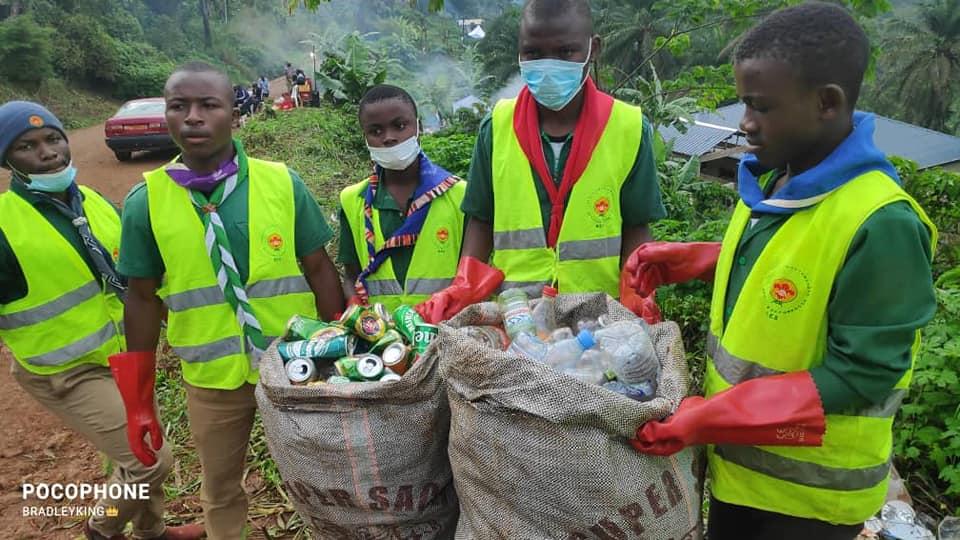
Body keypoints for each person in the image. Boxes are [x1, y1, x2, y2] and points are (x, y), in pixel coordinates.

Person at [625, 4, 937, 539]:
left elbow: (861, 373)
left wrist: (708, 418)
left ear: (826, 102)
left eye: (760, 106)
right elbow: (786, 270)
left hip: (807, 502)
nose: (745, 123)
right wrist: (697, 258)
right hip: (742, 474)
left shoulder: (881, 223)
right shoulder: (780, 178)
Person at [114, 61, 344, 540]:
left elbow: (320, 269)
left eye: (208, 105)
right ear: (167, 116)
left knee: (326, 479)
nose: (192, 117)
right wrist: (138, 401)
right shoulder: (146, 201)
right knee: (219, 489)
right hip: (213, 381)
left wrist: (345, 350)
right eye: (179, 106)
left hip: (295, 368)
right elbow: (139, 299)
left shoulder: (282, 183)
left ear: (234, 113)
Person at [0, 101, 203, 540]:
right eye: (26, 146)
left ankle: (152, 531)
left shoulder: (93, 202)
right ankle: (102, 527)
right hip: (63, 370)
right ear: (7, 160)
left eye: (53, 139)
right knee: (150, 460)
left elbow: (132, 280)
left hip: (117, 358)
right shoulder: (3, 226)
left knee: (137, 447)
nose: (47, 152)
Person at [416, 0, 665, 323]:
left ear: (594, 49)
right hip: (516, 319)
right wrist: (464, 288)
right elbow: (480, 221)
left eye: (565, 52)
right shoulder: (496, 127)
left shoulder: (628, 127)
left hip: (599, 317)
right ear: (519, 53)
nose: (549, 65)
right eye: (533, 53)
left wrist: (636, 294)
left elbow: (636, 225)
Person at [338, 85, 495, 314]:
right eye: (376, 131)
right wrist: (355, 307)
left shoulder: (460, 195)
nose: (389, 138)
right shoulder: (353, 201)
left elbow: (473, 273)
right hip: (382, 340)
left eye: (400, 126)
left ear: (418, 126)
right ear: (365, 137)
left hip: (448, 334)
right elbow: (351, 275)